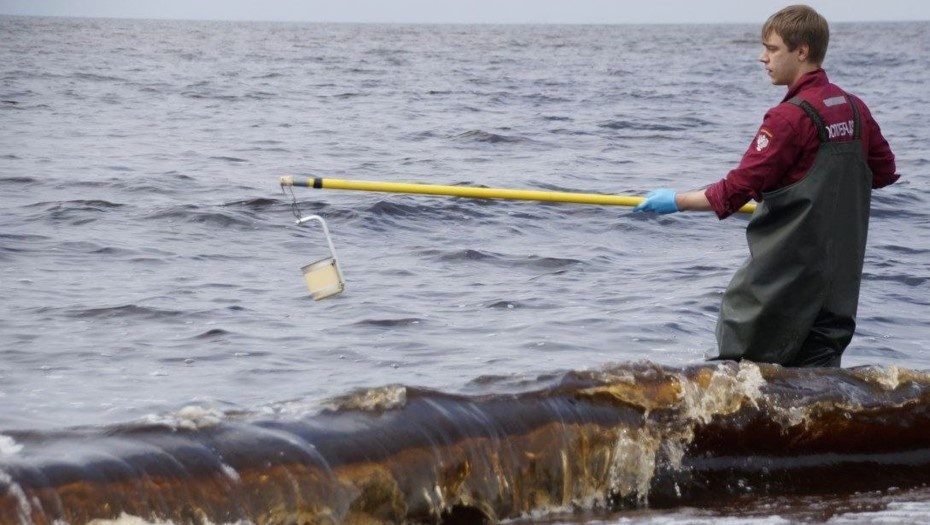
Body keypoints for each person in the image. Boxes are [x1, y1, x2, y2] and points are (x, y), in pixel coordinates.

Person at [633, 4, 898, 367]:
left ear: (801, 51)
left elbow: (735, 190)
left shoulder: (788, 118)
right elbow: (882, 172)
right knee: (817, 383)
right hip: (838, 287)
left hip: (785, 282)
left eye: (772, 49)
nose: (763, 58)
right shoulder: (855, 109)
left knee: (740, 373)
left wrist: (675, 201)